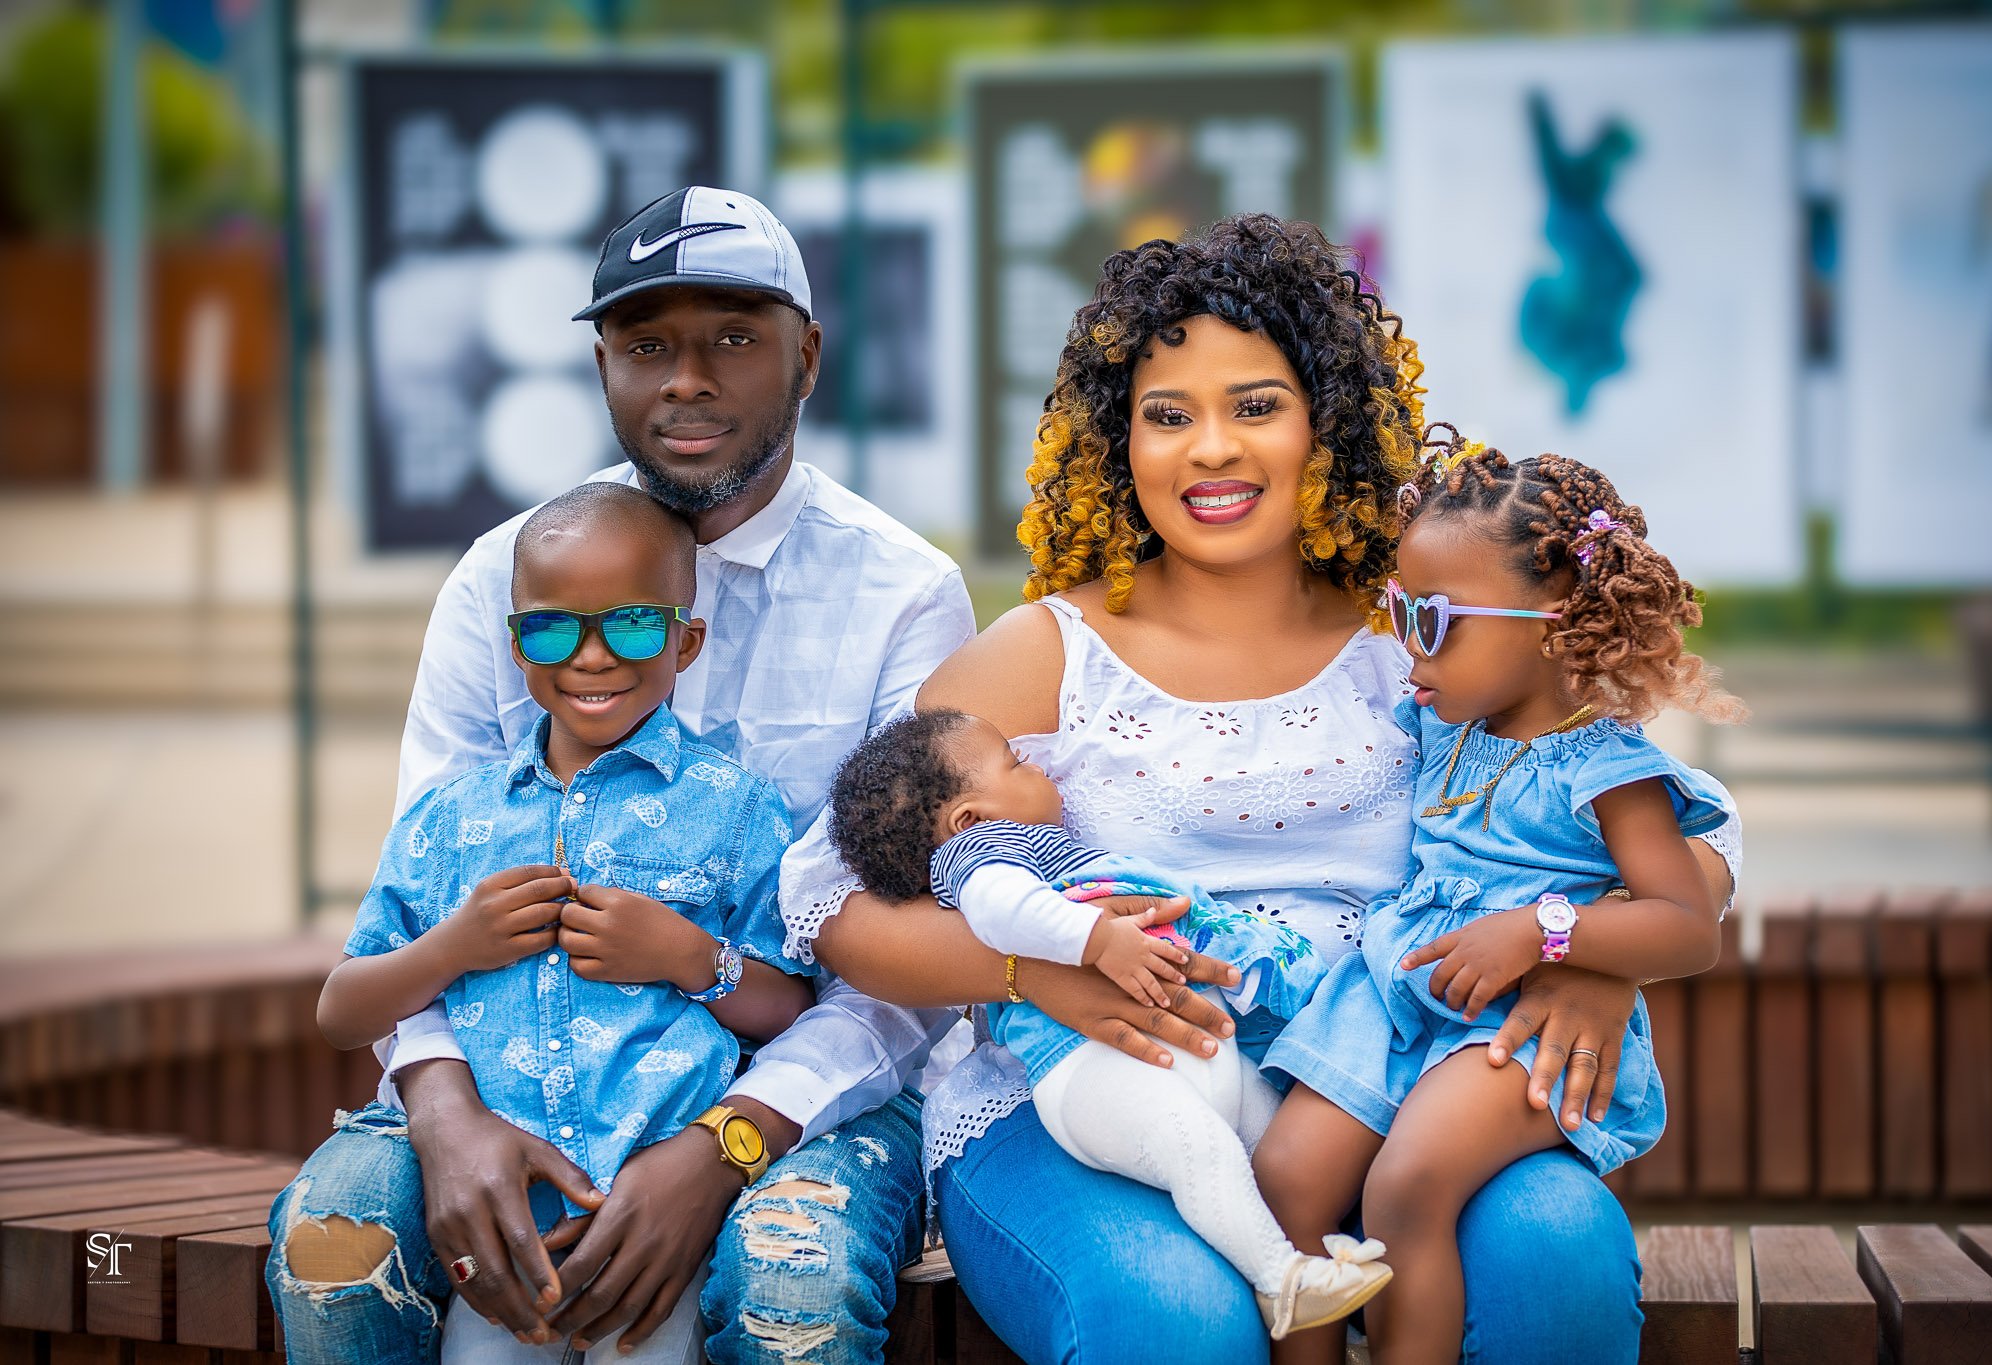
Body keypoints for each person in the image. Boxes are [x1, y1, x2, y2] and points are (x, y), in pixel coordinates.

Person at [797, 214, 1743, 1364]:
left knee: (1555, 1259)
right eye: (1166, 415)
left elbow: (1677, 837)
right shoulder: (1040, 658)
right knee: (1179, 1326)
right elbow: (829, 897)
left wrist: (1582, 955)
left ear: (1326, 424)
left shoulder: (1422, 644)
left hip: (1390, 1081)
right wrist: (1026, 971)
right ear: (1117, 441)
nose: (1209, 450)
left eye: (1254, 406)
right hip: (1099, 1106)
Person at [269, 185, 1034, 1364]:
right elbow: (422, 896)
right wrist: (445, 1110)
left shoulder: (900, 596)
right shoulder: (501, 578)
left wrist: (727, 1141)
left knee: (794, 1288)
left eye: (733, 338)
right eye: (644, 347)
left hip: (805, 1090)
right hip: (501, 1064)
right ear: (602, 367)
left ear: (806, 356)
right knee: (336, 1250)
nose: (685, 380)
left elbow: (901, 962)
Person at [1254, 448, 1746, 1365]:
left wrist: (1542, 931)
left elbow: (1687, 927)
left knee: (1407, 1185)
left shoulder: (1607, 768)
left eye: (1434, 619)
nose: (1410, 647)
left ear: (1555, 623)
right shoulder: (1443, 719)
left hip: (1514, 1024)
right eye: (1399, 611)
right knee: (1287, 1178)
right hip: (1394, 996)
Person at [314, 481, 818, 1361]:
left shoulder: (739, 811)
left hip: (660, 1229)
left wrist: (690, 956)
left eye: (633, 625)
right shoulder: (451, 818)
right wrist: (453, 946)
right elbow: (341, 1010)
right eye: (553, 629)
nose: (591, 656)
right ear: (515, 645)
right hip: (503, 1238)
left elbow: (791, 1006)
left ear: (686, 641)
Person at [826, 709, 1387, 1339]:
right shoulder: (983, 851)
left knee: (1275, 1150)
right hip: (1088, 1061)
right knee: (1197, 1148)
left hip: (1179, 1055)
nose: (1038, 766)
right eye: (1017, 762)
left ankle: (1322, 1280)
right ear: (969, 819)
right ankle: (1281, 1280)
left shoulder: (1034, 847)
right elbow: (999, 908)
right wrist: (1097, 941)